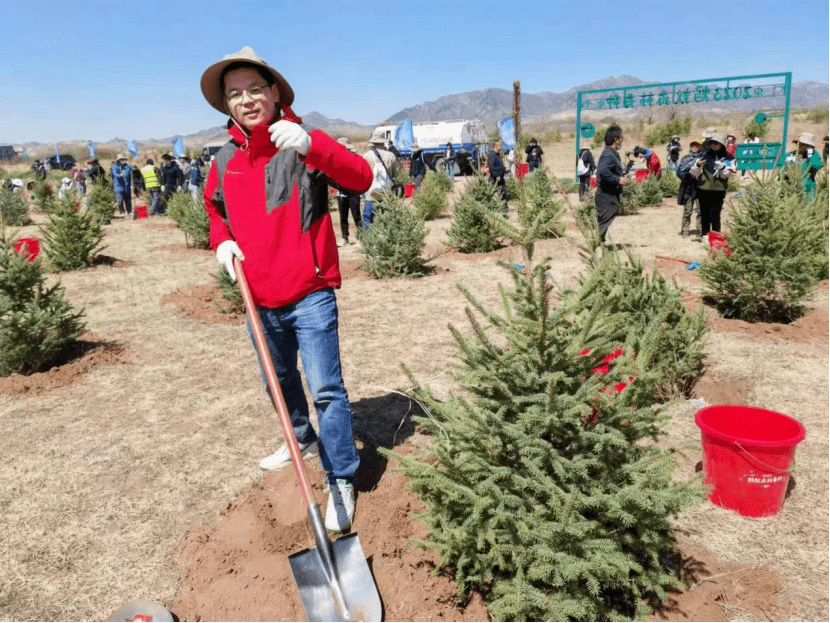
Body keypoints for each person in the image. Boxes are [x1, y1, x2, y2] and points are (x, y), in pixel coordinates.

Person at [200, 46, 372, 532]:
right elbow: (215, 210)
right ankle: (301, 439)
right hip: (259, 297)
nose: (247, 99)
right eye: (236, 93)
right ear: (226, 105)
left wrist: (312, 145)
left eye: (255, 88)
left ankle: (340, 476)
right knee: (278, 381)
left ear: (275, 92)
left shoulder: (303, 144)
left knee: (326, 390)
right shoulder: (226, 159)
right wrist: (222, 241)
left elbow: (361, 179)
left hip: (310, 292)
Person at [688, 132, 736, 235]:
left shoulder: (729, 158)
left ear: (722, 144)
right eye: (712, 142)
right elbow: (694, 172)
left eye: (716, 143)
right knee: (704, 215)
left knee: (716, 215)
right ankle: (705, 236)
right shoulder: (704, 156)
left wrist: (723, 168)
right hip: (704, 189)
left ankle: (715, 236)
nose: (713, 145)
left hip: (719, 190)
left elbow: (732, 174)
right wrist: (697, 165)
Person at [595, 125, 630, 243]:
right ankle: (595, 245)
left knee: (605, 220)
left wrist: (622, 176)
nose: (622, 140)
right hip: (605, 195)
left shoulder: (611, 153)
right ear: (616, 139)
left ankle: (599, 243)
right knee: (603, 222)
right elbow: (602, 171)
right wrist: (617, 180)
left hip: (609, 194)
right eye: (621, 138)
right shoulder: (608, 154)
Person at [361, 142, 396, 229]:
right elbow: (395, 174)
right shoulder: (391, 156)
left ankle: (367, 240)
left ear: (373, 143)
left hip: (371, 195)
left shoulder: (366, 156)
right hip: (386, 195)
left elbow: (363, 175)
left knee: (367, 219)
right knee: (388, 221)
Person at [335, 137, 362, 246]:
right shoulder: (336, 158)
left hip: (353, 192)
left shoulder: (354, 158)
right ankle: (344, 238)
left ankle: (361, 239)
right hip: (341, 192)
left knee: (357, 216)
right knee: (343, 217)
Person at [676, 140, 703, 236]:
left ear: (700, 146)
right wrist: (689, 174)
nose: (694, 147)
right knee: (688, 210)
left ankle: (701, 231)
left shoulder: (703, 158)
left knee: (701, 211)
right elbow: (679, 173)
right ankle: (685, 231)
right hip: (688, 187)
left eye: (697, 145)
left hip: (700, 187)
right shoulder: (685, 158)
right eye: (692, 145)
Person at [791, 132, 824, 199]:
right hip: (792, 190)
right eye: (798, 144)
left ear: (808, 146)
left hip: (808, 190)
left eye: (802, 145)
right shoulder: (791, 154)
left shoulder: (814, 156)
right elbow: (780, 165)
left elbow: (817, 165)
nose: (799, 146)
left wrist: (810, 155)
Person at [487, 141, 509, 212]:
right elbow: (491, 167)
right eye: (500, 147)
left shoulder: (498, 155)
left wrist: (506, 171)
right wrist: (496, 176)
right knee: (492, 194)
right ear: (496, 146)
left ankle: (504, 208)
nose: (501, 148)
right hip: (494, 179)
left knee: (504, 193)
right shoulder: (492, 155)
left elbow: (501, 165)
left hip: (501, 178)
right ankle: (490, 209)